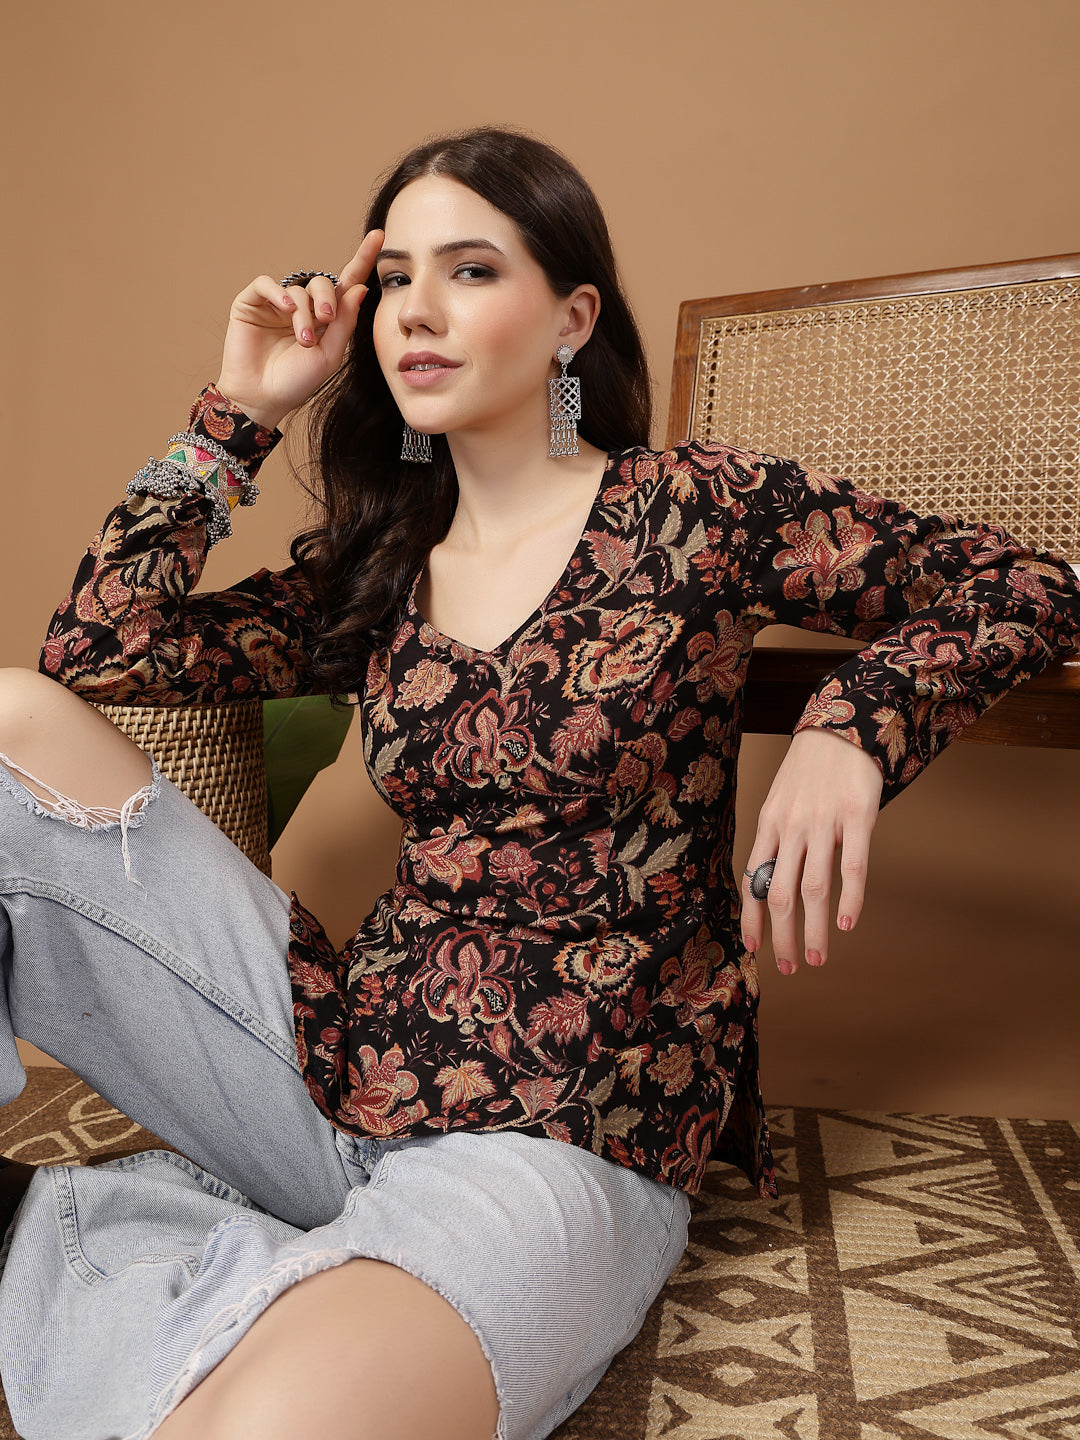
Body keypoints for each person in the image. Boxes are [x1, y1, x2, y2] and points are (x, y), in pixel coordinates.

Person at [0, 125, 1077, 1440]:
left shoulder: (696, 510)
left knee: (268, 1423)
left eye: (469, 270)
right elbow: (96, 651)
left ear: (573, 319)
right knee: (9, 720)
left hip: (565, 1127)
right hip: (329, 1064)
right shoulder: (380, 564)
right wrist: (242, 409)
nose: (416, 311)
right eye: (397, 278)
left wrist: (852, 724)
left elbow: (1029, 582)